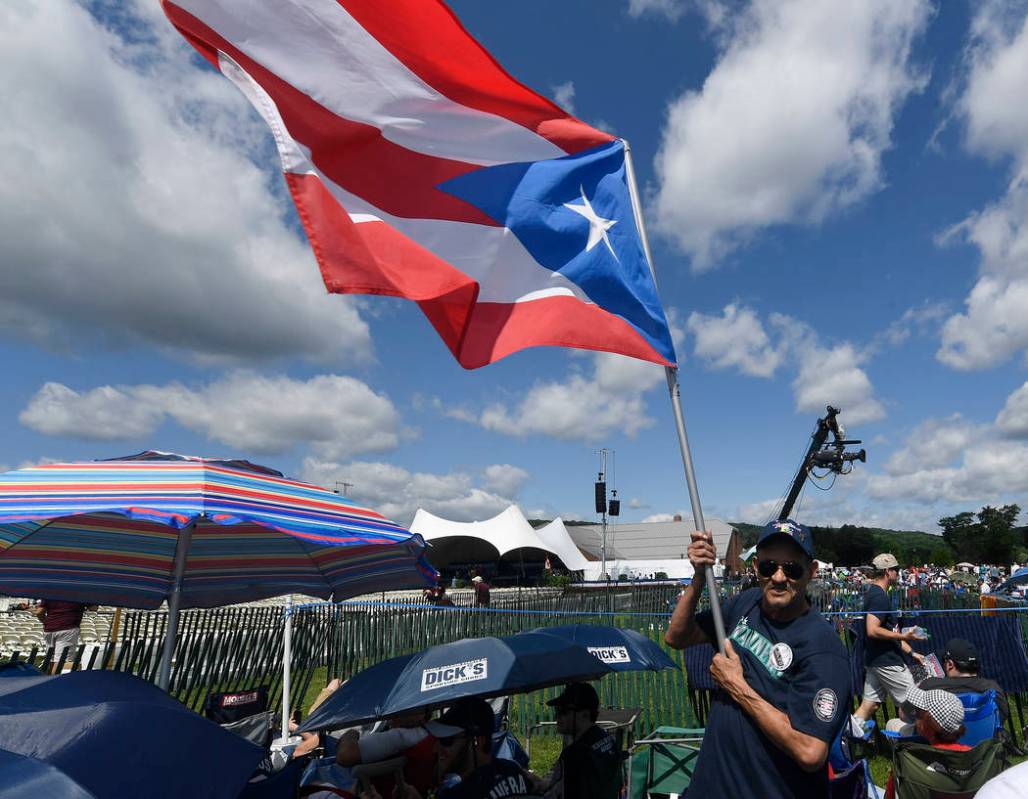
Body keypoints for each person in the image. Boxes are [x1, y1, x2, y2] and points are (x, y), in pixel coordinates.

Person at [664, 519, 852, 798]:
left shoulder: (822, 648)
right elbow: (677, 637)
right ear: (755, 568)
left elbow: (810, 751)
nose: (778, 577)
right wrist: (699, 578)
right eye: (768, 566)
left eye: (792, 569)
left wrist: (737, 687)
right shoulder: (746, 602)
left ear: (811, 572)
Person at [852, 554, 926, 724]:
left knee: (869, 707)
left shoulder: (876, 593)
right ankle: (917, 742)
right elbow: (872, 630)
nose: (898, 573)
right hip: (887, 662)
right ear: (887, 572)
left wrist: (913, 653)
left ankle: (845, 739)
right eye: (896, 570)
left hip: (875, 660)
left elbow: (888, 631)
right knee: (915, 703)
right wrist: (903, 635)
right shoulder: (879, 597)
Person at [527, 683, 621, 799]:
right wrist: (540, 783)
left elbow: (557, 795)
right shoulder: (607, 739)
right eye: (557, 710)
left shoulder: (575, 754)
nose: (557, 717)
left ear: (585, 714)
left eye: (563, 711)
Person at [883, 687, 970, 799]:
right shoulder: (975, 758)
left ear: (927, 724)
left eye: (918, 714)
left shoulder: (907, 762)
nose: (915, 718)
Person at [338, 707, 437, 797]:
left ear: (421, 715)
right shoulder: (430, 733)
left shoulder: (399, 737)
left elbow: (345, 756)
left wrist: (351, 733)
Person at [25, 599, 90, 673]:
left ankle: (49, 679)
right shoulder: (78, 593)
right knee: (62, 661)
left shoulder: (52, 592)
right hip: (67, 628)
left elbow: (39, 612)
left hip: (49, 629)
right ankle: (55, 682)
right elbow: (93, 608)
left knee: (51, 659)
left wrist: (46, 622)